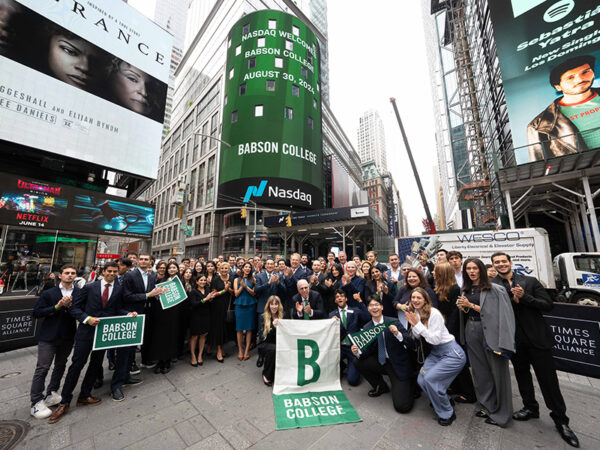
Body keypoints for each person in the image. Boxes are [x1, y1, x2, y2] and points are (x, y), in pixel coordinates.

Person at [491, 252, 579, 447]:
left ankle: (561, 421)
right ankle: (530, 408)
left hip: (538, 340)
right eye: (496, 262)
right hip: (514, 342)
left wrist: (525, 297)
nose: (501, 264)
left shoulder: (529, 281)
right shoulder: (493, 286)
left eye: (503, 261)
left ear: (510, 263)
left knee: (549, 381)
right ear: (493, 265)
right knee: (522, 377)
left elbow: (547, 305)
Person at [48, 263, 140, 424]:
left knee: (96, 364)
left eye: (114, 272)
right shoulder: (90, 288)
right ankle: (65, 402)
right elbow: (75, 309)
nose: (112, 274)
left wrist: (128, 313)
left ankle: (84, 395)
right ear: (103, 272)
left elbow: (117, 309)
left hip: (103, 335)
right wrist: (87, 319)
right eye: (109, 271)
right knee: (77, 365)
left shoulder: (118, 289)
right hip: (86, 332)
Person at [456, 258, 515, 428]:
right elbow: (467, 311)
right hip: (471, 331)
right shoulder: (465, 289)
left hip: (491, 332)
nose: (471, 271)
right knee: (480, 372)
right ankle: (487, 405)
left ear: (481, 269)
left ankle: (502, 414)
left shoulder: (495, 289)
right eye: (468, 269)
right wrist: (465, 308)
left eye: (474, 268)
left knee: (498, 373)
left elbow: (501, 315)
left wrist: (471, 306)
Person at [405, 287, 466, 426]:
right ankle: (442, 400)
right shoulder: (415, 313)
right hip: (436, 353)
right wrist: (414, 323)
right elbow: (418, 335)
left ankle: (447, 413)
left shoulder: (435, 313)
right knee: (421, 380)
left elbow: (435, 340)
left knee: (430, 379)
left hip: (452, 353)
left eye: (418, 298)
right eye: (413, 298)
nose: (415, 300)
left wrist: (417, 324)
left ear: (425, 299)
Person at [527, 55, 599, 161]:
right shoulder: (538, 126)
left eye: (585, 72)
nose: (580, 79)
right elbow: (541, 167)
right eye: (570, 77)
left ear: (593, 73)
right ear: (558, 87)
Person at [30, 265, 78, 419]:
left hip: (67, 336)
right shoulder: (50, 292)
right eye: (67, 273)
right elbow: (36, 313)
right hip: (49, 337)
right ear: (60, 276)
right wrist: (57, 306)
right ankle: (36, 401)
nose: (70, 276)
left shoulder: (78, 293)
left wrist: (70, 307)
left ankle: (51, 392)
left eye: (73, 273)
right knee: (42, 368)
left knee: (61, 365)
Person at [352, 295, 415, 414]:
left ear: (381, 307)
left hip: (397, 364)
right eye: (371, 305)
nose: (374, 308)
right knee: (357, 361)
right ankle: (380, 386)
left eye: (377, 305)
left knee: (402, 407)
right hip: (381, 362)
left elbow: (411, 343)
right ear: (368, 308)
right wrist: (358, 351)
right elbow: (367, 351)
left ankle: (410, 383)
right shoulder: (367, 327)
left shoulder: (393, 321)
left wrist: (398, 334)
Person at [433, 263, 475, 404]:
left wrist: (447, 331)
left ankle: (469, 393)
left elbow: (455, 313)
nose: (433, 273)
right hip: (443, 329)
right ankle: (456, 387)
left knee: (459, 363)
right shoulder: (439, 287)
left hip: (451, 332)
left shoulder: (455, 289)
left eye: (436, 271)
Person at [122, 253, 165, 374]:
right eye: (141, 259)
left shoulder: (151, 276)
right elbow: (127, 296)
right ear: (137, 261)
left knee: (146, 336)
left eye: (146, 259)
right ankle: (130, 364)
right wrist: (148, 295)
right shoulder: (130, 275)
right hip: (135, 311)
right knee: (133, 341)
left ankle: (145, 360)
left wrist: (159, 294)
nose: (143, 261)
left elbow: (152, 294)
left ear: (150, 262)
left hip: (148, 311)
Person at [329, 289, 369, 386]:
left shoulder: (355, 311)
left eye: (342, 296)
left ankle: (356, 366)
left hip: (353, 348)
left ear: (346, 299)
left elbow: (367, 318)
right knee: (330, 375)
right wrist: (330, 323)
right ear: (335, 301)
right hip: (340, 348)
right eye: (337, 297)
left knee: (353, 381)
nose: (339, 298)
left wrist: (360, 301)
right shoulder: (331, 315)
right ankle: (342, 366)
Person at [149, 262, 181, 374]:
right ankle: (160, 361)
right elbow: (155, 297)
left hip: (174, 314)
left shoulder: (180, 282)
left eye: (174, 267)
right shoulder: (160, 281)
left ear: (177, 269)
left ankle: (167, 361)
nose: (172, 269)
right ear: (167, 270)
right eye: (170, 268)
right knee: (160, 337)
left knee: (170, 337)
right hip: (161, 313)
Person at [254, 259, 283, 367]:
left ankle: (272, 355)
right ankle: (261, 356)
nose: (270, 265)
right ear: (265, 265)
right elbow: (256, 290)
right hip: (263, 308)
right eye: (268, 264)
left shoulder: (278, 276)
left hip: (275, 309)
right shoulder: (259, 276)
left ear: (274, 266)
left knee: (274, 333)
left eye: (272, 264)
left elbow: (284, 291)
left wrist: (278, 283)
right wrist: (268, 283)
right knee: (262, 334)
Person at [209, 262, 234, 362]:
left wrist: (229, 289)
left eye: (226, 268)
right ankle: (219, 351)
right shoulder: (215, 279)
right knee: (218, 328)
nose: (224, 270)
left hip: (228, 306)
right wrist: (225, 289)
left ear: (229, 269)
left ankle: (222, 348)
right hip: (217, 306)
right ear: (219, 269)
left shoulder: (232, 279)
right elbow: (213, 294)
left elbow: (234, 293)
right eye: (222, 268)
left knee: (225, 328)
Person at [233, 262, 257, 361]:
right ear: (242, 268)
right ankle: (240, 350)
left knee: (249, 329)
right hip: (239, 305)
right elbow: (236, 294)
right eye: (246, 267)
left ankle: (247, 350)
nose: (247, 269)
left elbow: (254, 293)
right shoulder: (237, 280)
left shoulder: (253, 279)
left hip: (250, 305)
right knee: (239, 329)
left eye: (249, 267)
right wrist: (242, 286)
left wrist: (246, 287)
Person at [189, 275, 214, 366]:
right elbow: (194, 304)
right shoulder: (193, 292)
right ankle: (193, 356)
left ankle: (200, 355)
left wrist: (210, 299)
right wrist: (205, 299)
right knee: (195, 336)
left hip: (206, 315)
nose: (203, 282)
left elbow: (209, 303)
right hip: (196, 316)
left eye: (204, 280)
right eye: (201, 280)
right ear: (197, 282)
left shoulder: (207, 290)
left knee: (203, 335)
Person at [260, 295, 285, 386]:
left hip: (281, 342)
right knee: (273, 349)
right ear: (268, 305)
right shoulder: (264, 317)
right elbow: (265, 337)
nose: (274, 307)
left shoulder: (283, 315)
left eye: (276, 304)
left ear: (279, 305)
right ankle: (267, 374)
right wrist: (274, 328)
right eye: (272, 304)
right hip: (267, 343)